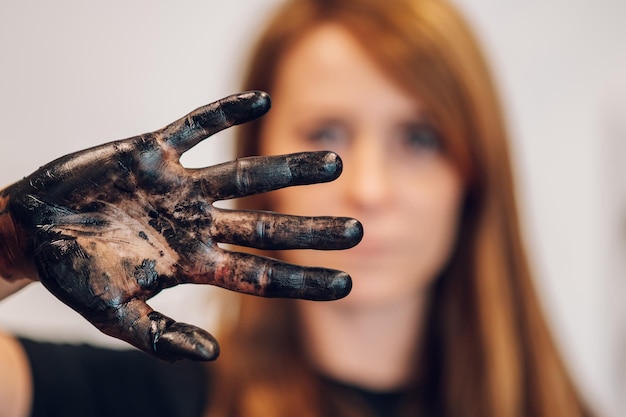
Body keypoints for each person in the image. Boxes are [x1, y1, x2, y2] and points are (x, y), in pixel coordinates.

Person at [0, 0, 596, 416]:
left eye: (418, 138)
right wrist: (10, 244)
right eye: (327, 132)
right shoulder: (132, 399)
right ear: (259, 166)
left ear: (474, 173)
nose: (371, 189)